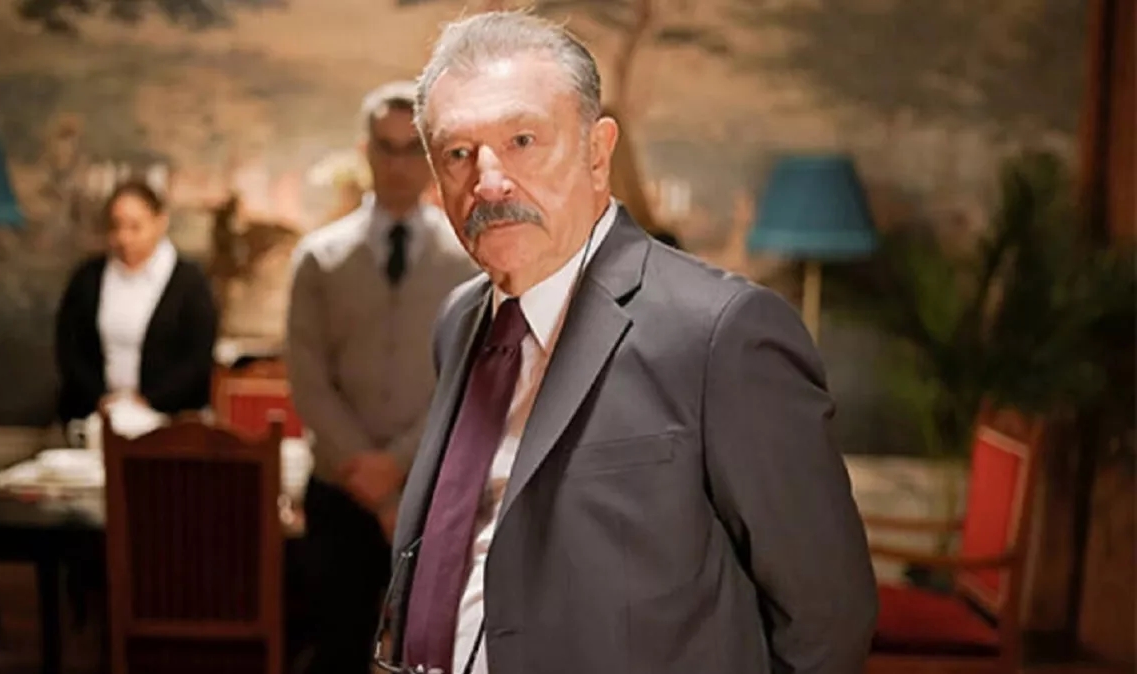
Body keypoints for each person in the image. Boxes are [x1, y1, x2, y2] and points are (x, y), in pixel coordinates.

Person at [386, 11, 878, 674]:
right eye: (457, 153)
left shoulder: (722, 333)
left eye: (523, 140)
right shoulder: (460, 321)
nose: (490, 181)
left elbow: (828, 617)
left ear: (597, 153)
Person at [285, 81, 477, 673]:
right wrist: (366, 473)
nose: (398, 165)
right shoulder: (319, 257)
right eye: (385, 148)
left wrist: (397, 467)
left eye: (412, 149)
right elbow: (308, 377)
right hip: (339, 490)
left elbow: (468, 375)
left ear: (433, 156)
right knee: (335, 651)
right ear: (364, 152)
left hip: (433, 489)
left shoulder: (466, 259)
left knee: (429, 656)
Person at [55, 179, 217, 428]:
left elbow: (197, 359)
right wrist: (101, 400)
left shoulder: (190, 283)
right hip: (98, 416)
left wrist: (147, 401)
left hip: (169, 420)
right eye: (116, 226)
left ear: (160, 222)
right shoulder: (88, 278)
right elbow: (70, 348)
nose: (124, 238)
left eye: (135, 227)